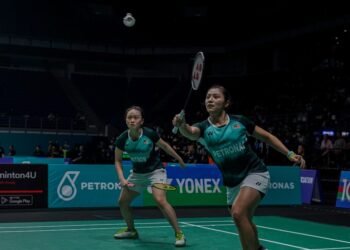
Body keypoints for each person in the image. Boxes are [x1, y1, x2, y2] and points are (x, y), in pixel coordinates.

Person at [172, 85, 305, 250]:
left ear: (226, 103)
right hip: (232, 182)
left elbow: (267, 137)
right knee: (243, 220)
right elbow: (190, 132)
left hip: (255, 172)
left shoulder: (240, 122)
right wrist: (182, 124)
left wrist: (289, 153)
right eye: (208, 97)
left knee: (238, 213)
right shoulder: (204, 128)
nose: (210, 100)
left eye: (215, 97)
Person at [114, 106, 186, 247]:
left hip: (155, 171)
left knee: (159, 199)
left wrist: (179, 158)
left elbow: (165, 146)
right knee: (122, 202)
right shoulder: (122, 138)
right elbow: (117, 160)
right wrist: (122, 179)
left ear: (142, 121)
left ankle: (179, 233)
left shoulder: (149, 134)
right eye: (129, 117)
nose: (132, 120)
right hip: (137, 174)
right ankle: (131, 230)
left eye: (136, 117)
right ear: (126, 120)